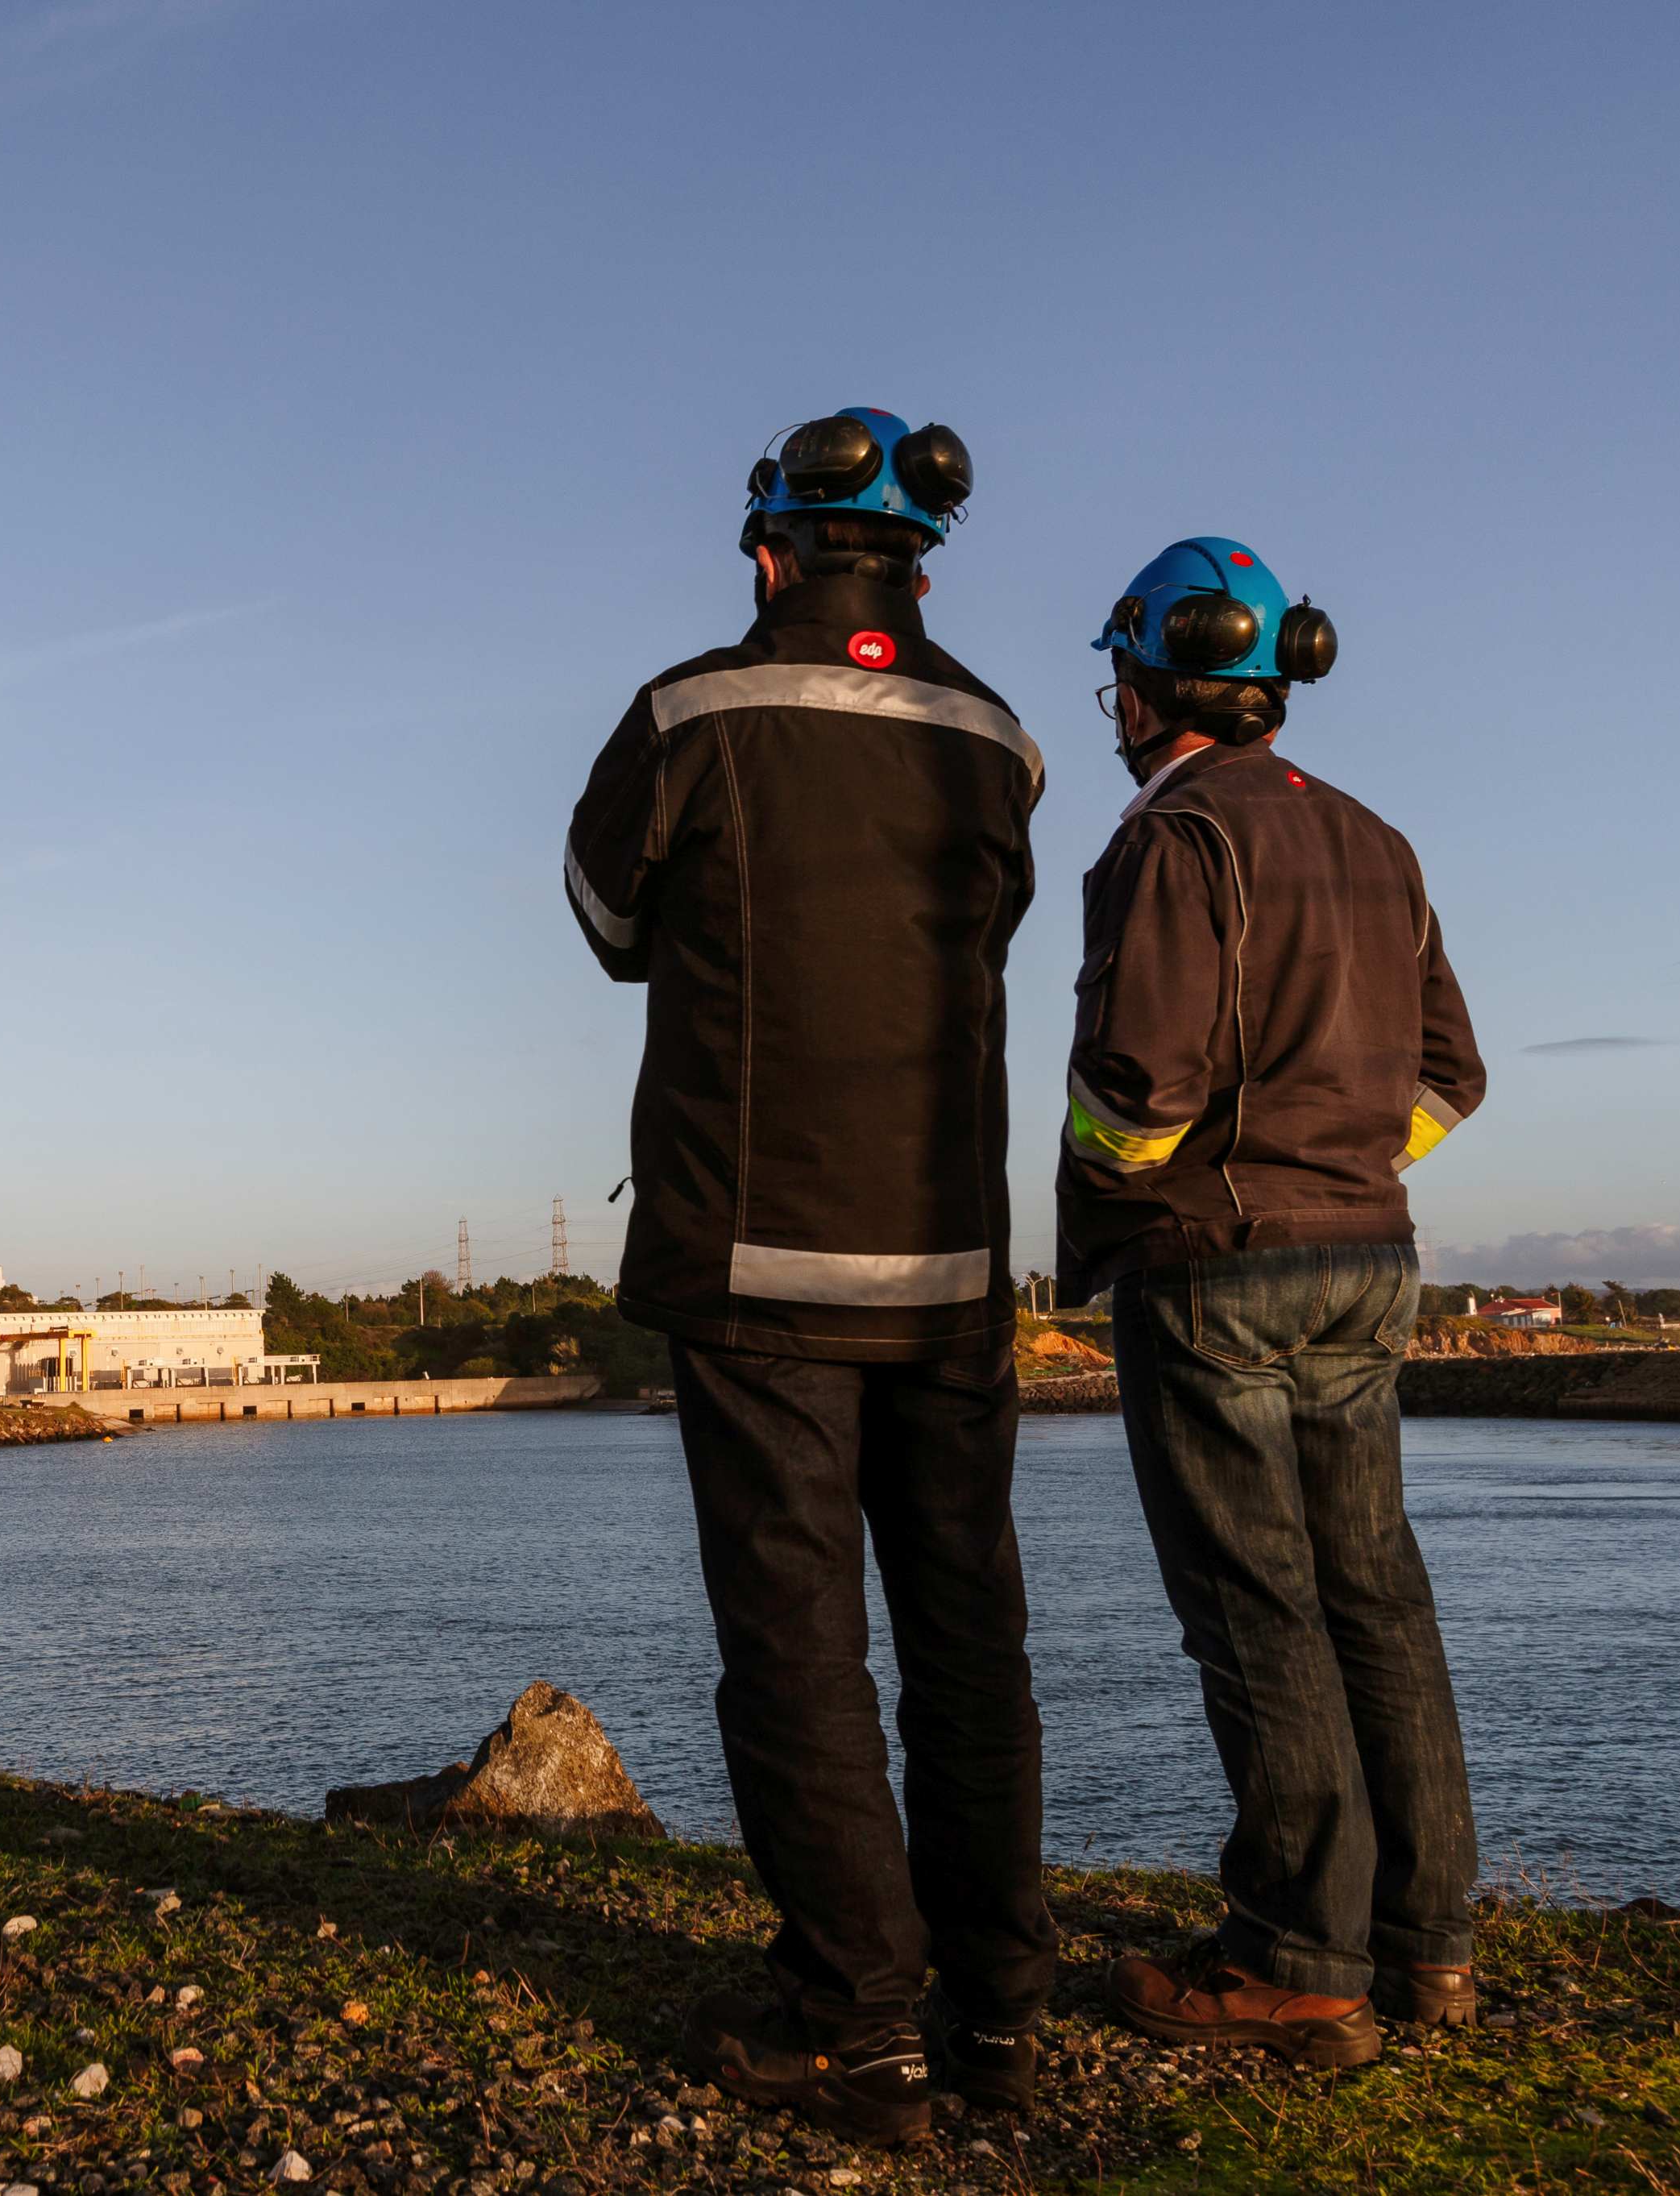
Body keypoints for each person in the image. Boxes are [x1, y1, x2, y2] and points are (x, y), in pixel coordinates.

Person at [565, 409, 1054, 2142]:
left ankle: (855, 2030)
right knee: (968, 1636)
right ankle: (996, 2012)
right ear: (913, 560)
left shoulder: (688, 711)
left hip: (756, 1252)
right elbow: (983, 937)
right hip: (954, 1264)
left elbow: (610, 922)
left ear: (767, 546)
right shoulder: (997, 739)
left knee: (798, 1647)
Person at [1057, 538, 1486, 2069]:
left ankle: (1303, 1960)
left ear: (1158, 678)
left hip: (1218, 1264)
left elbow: (1137, 1088)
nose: (1109, 701)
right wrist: (1349, 1158)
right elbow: (1452, 1075)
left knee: (1258, 1609)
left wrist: (1115, 1196)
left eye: (1116, 673)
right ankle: (1431, 1941)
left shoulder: (1170, 838)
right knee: (1376, 1590)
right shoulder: (1378, 840)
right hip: (1371, 1259)